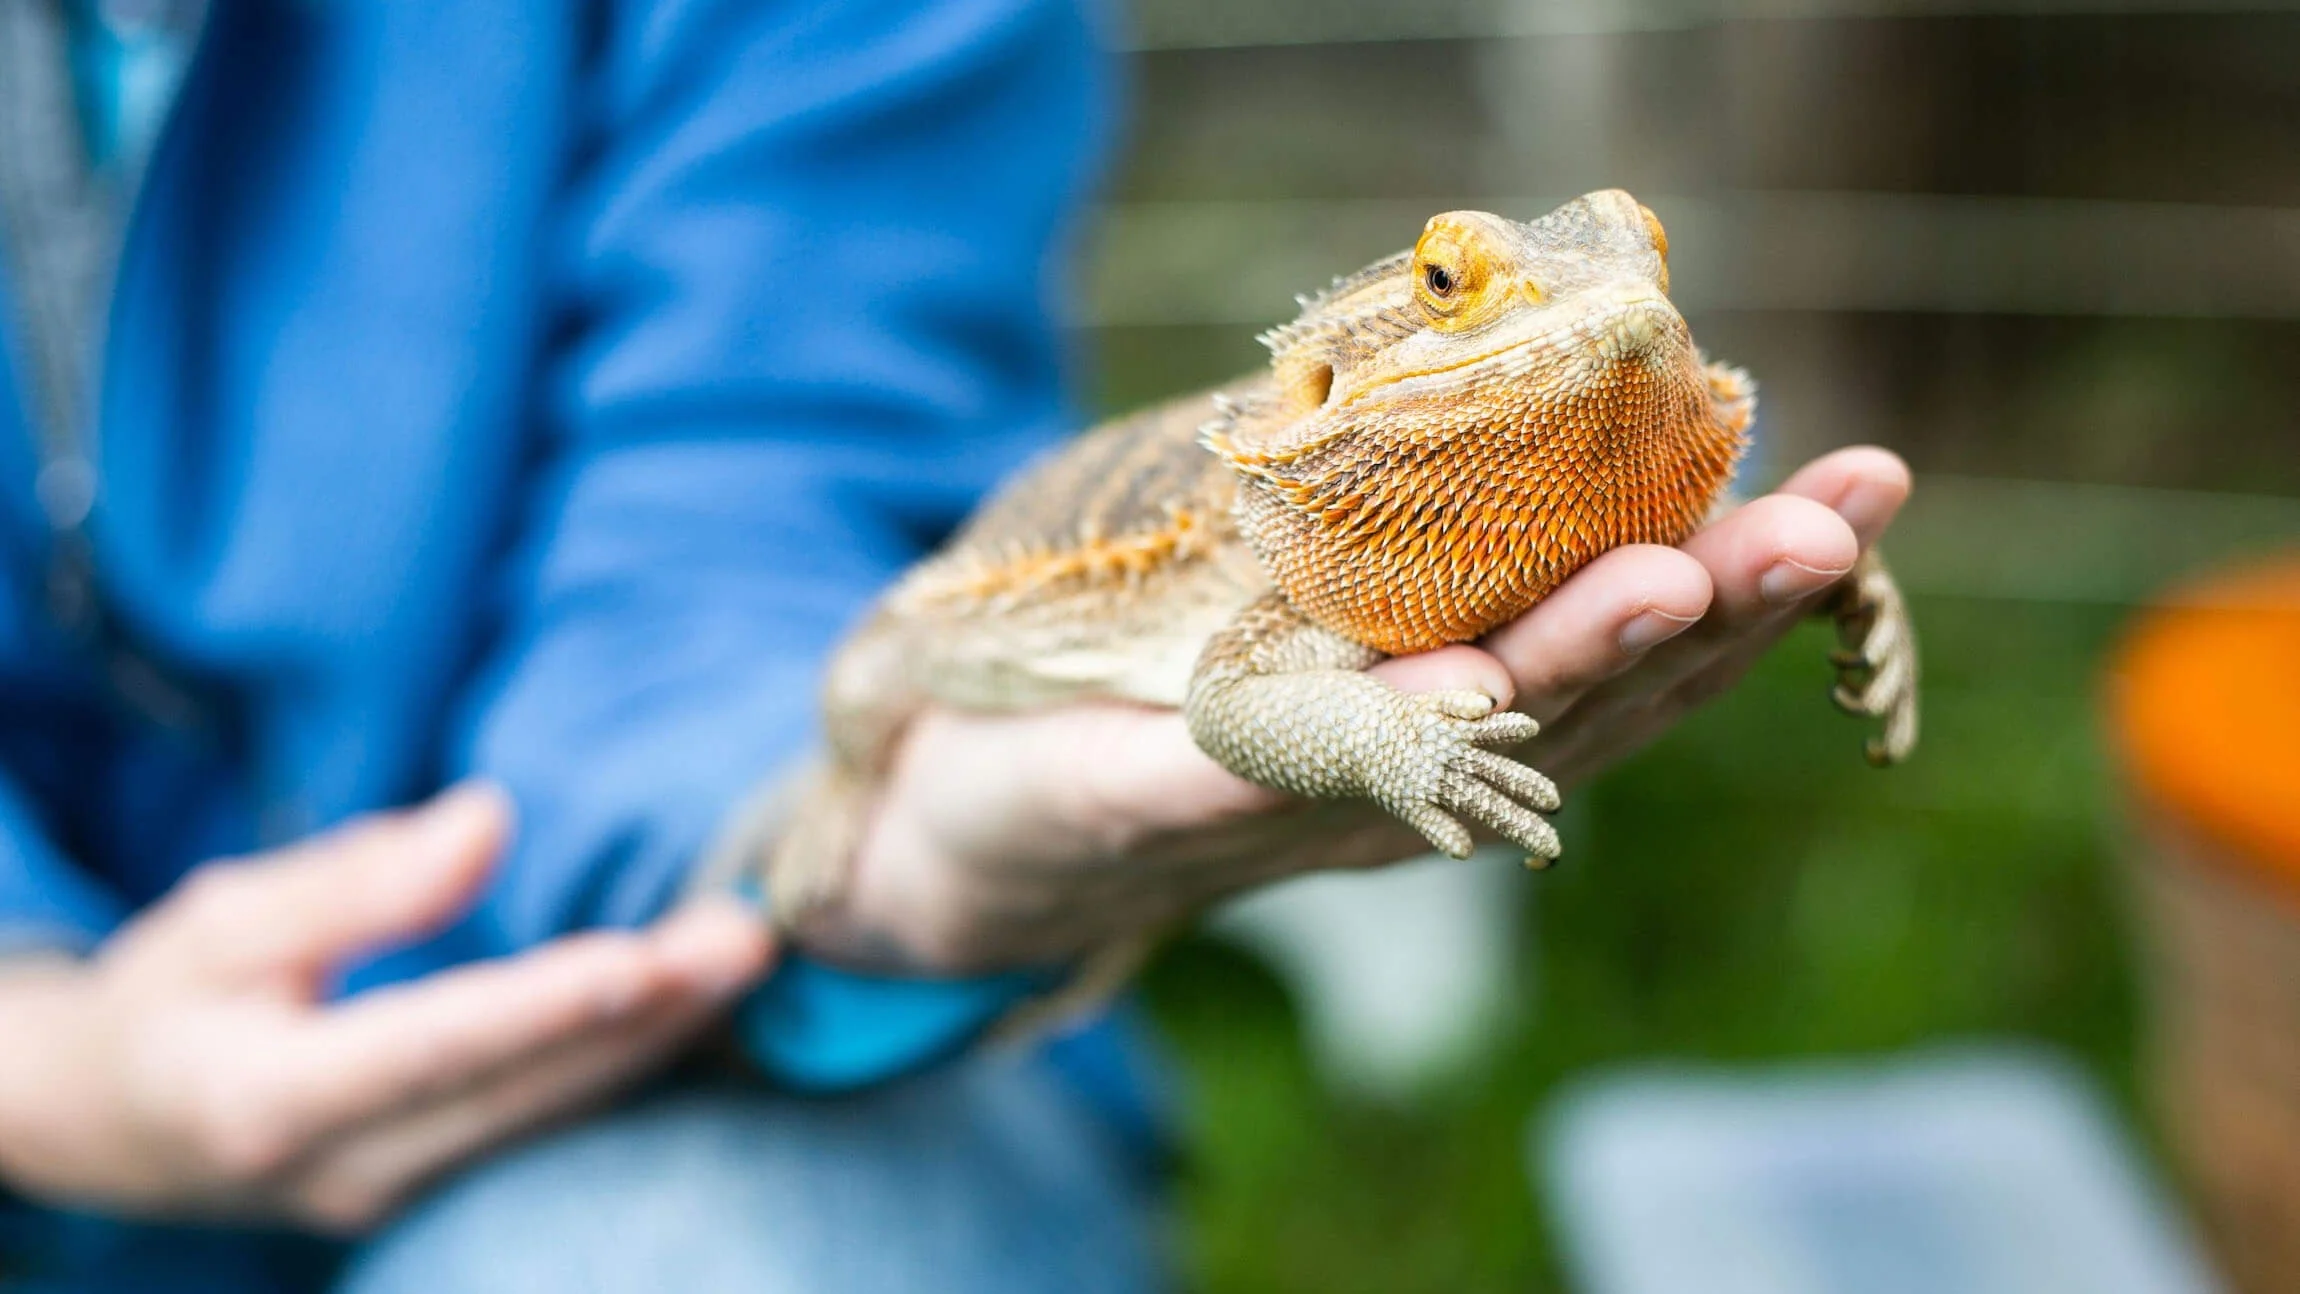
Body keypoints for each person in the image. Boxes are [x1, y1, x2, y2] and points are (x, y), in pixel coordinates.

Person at [0, 0, 1913, 1290]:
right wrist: (46, 1052)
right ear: (1342, 363)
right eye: (1452, 290)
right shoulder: (1308, 498)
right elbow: (1258, 689)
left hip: (741, 958)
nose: (1602, 314)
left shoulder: (1531, 468)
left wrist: (843, 867)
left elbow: (749, 500)